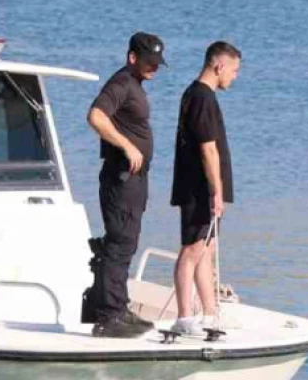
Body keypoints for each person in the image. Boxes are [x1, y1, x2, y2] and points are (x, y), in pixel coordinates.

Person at [85, 32, 167, 338]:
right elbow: (95, 116)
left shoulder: (135, 85)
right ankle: (108, 317)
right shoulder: (121, 83)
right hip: (121, 178)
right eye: (148, 61)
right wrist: (127, 146)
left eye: (157, 62)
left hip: (133, 180)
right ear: (132, 57)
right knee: (119, 243)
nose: (154, 68)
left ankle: (118, 308)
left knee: (127, 242)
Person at [167, 41, 241, 337]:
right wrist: (217, 191)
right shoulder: (202, 97)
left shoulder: (198, 95)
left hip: (202, 188)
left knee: (206, 250)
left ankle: (210, 314)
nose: (234, 77)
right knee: (192, 249)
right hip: (200, 189)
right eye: (234, 70)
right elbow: (208, 149)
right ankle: (184, 318)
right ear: (219, 66)